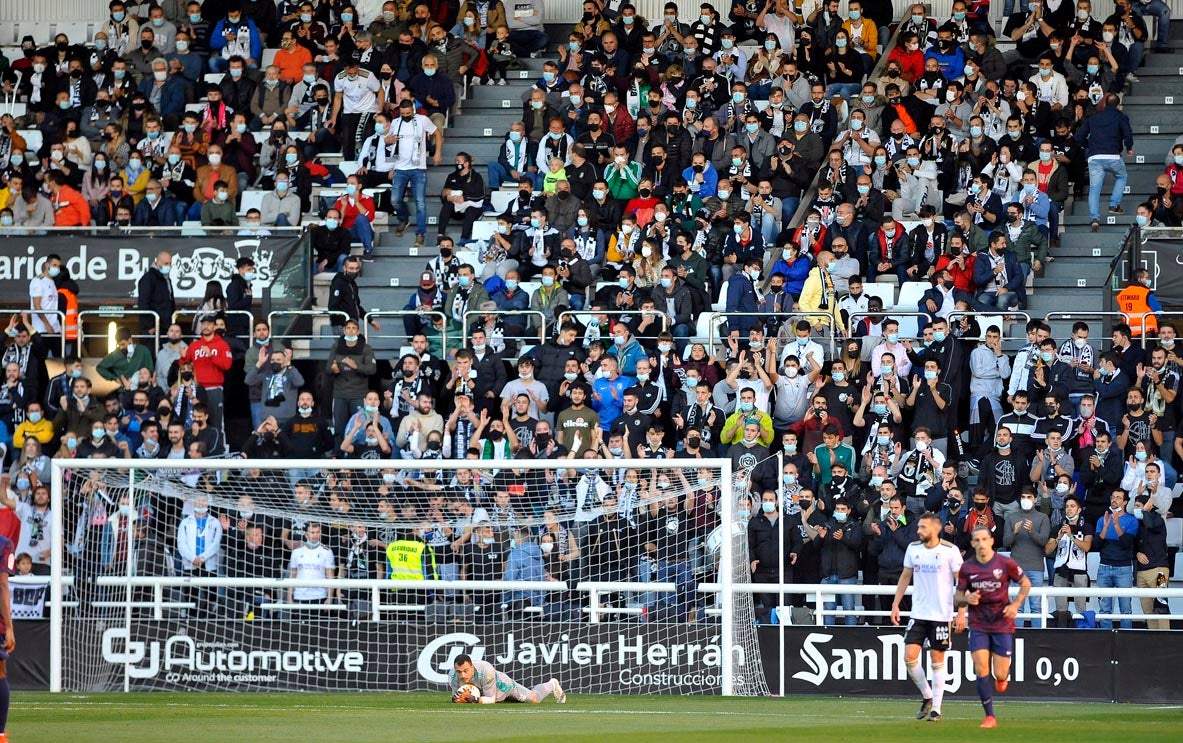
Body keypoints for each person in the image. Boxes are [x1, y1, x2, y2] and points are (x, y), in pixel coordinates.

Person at [955, 525, 1032, 730]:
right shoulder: (967, 567)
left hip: (1002, 623)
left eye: (984, 539)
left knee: (1000, 673)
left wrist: (1015, 605)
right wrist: (964, 602)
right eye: (976, 540)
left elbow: (1026, 584)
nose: (980, 544)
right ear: (972, 543)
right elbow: (957, 596)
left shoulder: (1005, 563)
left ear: (991, 541)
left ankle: (1002, 678)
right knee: (980, 668)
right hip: (979, 623)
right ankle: (990, 716)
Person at [891, 511, 963, 722]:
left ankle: (937, 709)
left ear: (935, 529)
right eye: (918, 527)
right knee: (909, 657)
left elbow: (963, 584)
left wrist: (961, 612)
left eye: (923, 527)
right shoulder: (913, 549)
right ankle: (927, 695)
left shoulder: (950, 551)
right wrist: (896, 604)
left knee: (936, 659)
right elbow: (905, 576)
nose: (918, 530)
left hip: (942, 614)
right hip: (919, 613)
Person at [450, 653, 565, 705]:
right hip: (482, 690)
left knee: (534, 699)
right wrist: (457, 698)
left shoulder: (486, 671)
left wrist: (475, 700)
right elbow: (457, 697)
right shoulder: (452, 676)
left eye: (466, 671)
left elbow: (491, 699)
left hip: (504, 687)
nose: (463, 675)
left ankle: (552, 684)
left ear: (472, 667)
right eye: (459, 672)